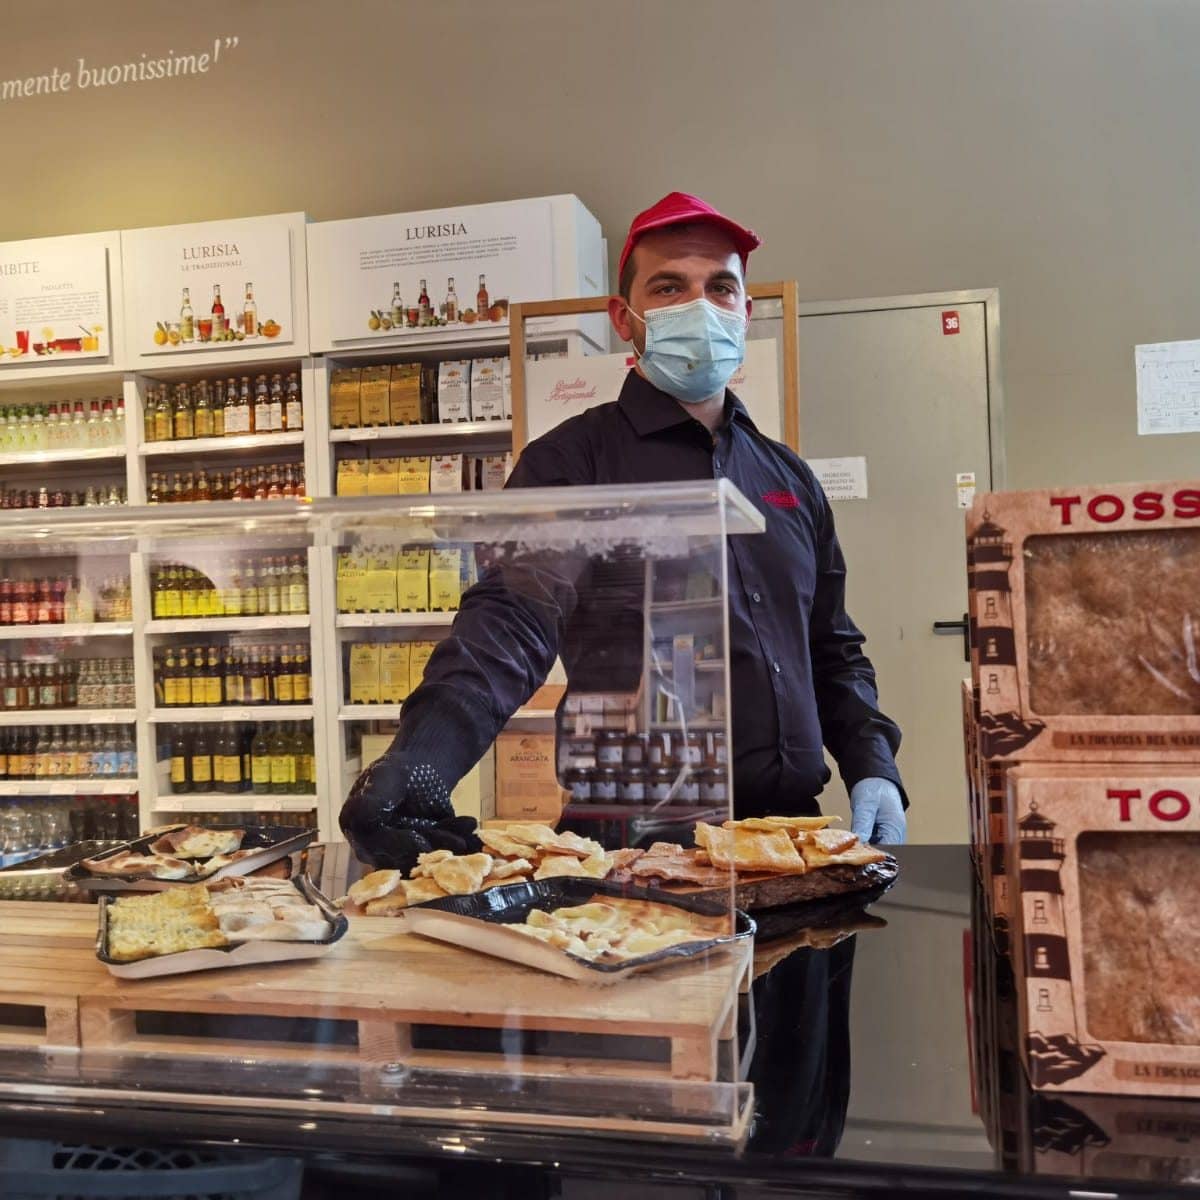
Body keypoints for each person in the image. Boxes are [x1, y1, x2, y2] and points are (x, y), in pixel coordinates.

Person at [341, 192, 906, 869]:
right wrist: (423, 758)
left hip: (791, 843)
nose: (700, 306)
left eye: (721, 287)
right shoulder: (573, 462)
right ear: (624, 318)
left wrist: (873, 762)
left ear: (745, 314)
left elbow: (832, 647)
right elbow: (512, 621)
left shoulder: (787, 477)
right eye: (669, 287)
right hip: (634, 847)